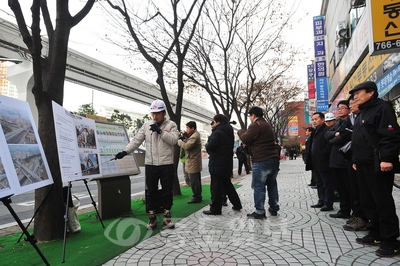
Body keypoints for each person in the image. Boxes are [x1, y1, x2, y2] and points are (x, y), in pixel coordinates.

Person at [349, 81, 400, 257]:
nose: (354, 96)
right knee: (367, 201)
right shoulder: (363, 112)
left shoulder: (382, 108)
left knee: (382, 202)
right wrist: (356, 159)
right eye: (353, 94)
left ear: (371, 93)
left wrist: (387, 158)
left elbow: (390, 134)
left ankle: (391, 241)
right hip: (363, 163)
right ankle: (376, 233)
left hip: (378, 163)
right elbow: (359, 139)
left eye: (357, 93)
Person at [115, 99, 179, 230]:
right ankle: (152, 218)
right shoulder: (146, 125)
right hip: (150, 164)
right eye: (153, 113)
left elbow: (173, 140)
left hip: (166, 164)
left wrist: (160, 132)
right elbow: (136, 140)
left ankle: (167, 218)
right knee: (151, 192)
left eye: (157, 113)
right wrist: (125, 151)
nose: (155, 116)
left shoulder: (171, 125)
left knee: (167, 191)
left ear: (164, 113)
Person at [237, 106, 280, 219]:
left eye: (250, 116)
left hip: (262, 160)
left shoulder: (256, 124)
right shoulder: (267, 125)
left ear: (253, 115)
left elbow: (245, 138)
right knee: (272, 184)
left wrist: (240, 131)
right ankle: (274, 207)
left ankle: (260, 211)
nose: (250, 119)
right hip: (274, 159)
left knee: (259, 186)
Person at [203, 114, 242, 215]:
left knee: (216, 187)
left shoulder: (217, 132)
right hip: (226, 163)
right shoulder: (229, 131)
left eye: (214, 122)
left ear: (218, 122)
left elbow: (211, 146)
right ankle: (237, 204)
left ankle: (215, 209)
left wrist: (207, 144)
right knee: (227, 184)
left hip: (217, 163)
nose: (213, 124)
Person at [325, 101, 352, 219]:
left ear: (349, 109)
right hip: (335, 160)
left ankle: (355, 213)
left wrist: (334, 137)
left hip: (345, 159)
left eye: (342, 108)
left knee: (350, 187)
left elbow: (346, 136)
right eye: (338, 108)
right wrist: (335, 135)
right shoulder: (339, 123)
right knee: (341, 187)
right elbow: (328, 134)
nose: (339, 110)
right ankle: (344, 210)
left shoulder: (351, 122)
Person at [306, 112, 334, 211]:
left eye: (316, 119)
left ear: (322, 119)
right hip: (316, 162)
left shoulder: (327, 130)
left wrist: (323, 154)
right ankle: (321, 201)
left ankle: (328, 203)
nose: (314, 121)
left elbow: (330, 144)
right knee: (319, 183)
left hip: (324, 162)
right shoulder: (315, 131)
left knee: (327, 183)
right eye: (313, 119)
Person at [177, 121, 202, 204]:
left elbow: (187, 146)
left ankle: (196, 196)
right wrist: (184, 135)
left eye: (187, 128)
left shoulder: (195, 136)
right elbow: (190, 138)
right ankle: (198, 195)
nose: (186, 129)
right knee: (196, 180)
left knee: (194, 180)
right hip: (194, 160)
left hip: (193, 161)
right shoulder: (195, 134)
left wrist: (179, 141)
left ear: (192, 128)